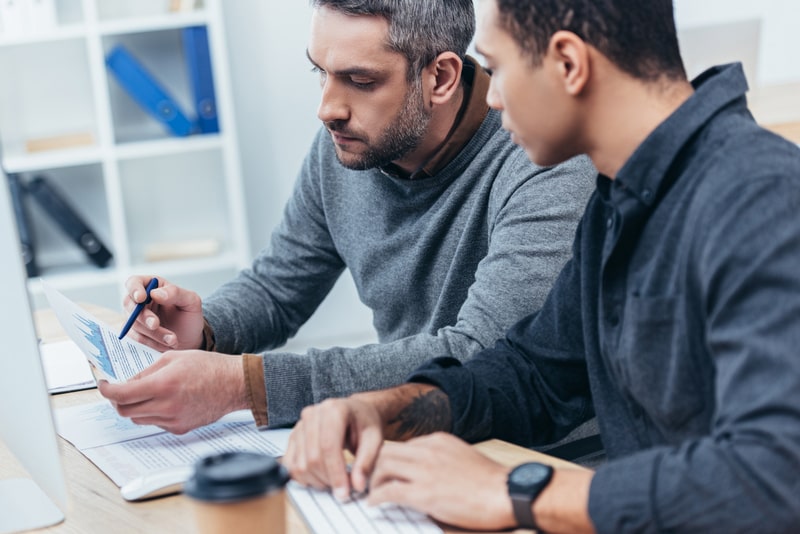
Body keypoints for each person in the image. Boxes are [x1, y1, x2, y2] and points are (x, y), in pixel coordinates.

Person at [283, 0, 800, 532]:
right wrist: (384, 409)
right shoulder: (621, 200)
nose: (495, 97)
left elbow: (772, 473)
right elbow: (536, 373)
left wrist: (509, 491)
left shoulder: (762, 198)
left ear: (568, 64)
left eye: (498, 67)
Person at [97, 0, 595, 435]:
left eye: (360, 80)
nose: (327, 108)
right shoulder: (349, 143)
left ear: (440, 76)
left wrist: (244, 385)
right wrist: (205, 330)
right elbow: (278, 286)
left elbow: (484, 356)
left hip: (535, 458)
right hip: (410, 439)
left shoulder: (543, 159)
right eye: (320, 71)